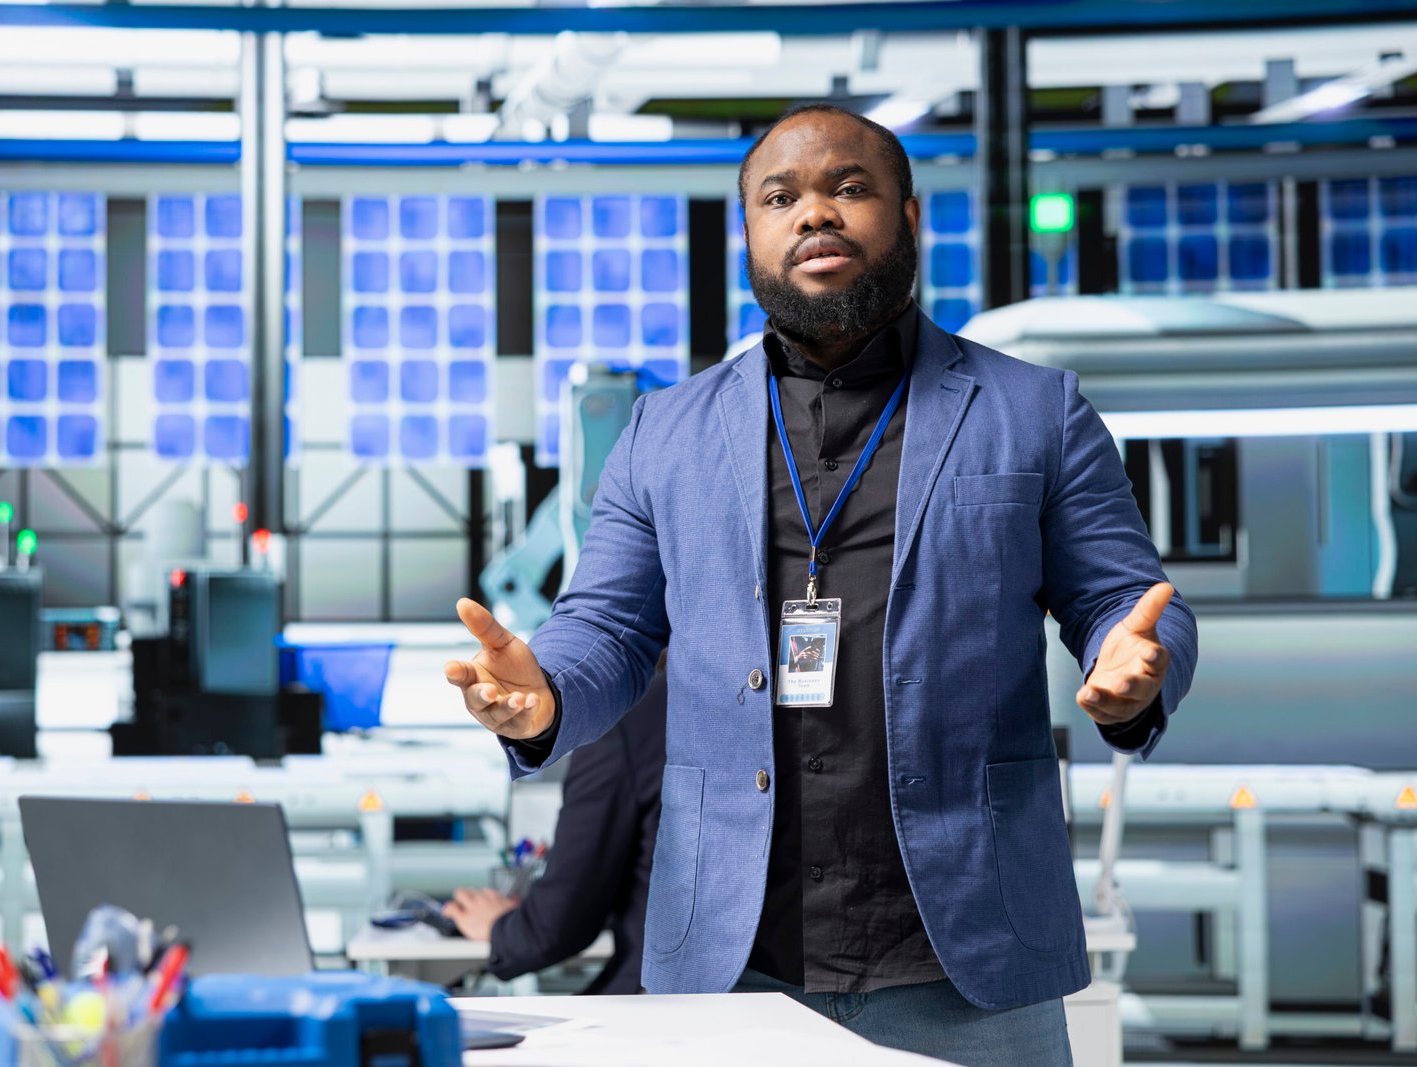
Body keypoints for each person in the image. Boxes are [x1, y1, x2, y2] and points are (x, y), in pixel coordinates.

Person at [442, 103, 1198, 1065]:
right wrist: (543, 693)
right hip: (733, 959)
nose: (815, 214)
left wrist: (1135, 665)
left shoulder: (1033, 413)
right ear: (750, 235)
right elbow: (610, 629)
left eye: (849, 188)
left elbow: (1123, 606)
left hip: (969, 961)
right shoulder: (660, 434)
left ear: (910, 218)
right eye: (780, 196)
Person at [442, 673, 665, 996]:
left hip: (664, 1000)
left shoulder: (625, 716)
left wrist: (497, 926)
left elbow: (558, 925)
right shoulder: (746, 703)